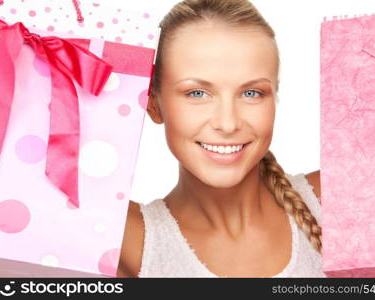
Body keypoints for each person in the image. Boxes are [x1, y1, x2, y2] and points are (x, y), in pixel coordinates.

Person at [117, 0, 324, 277]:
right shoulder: (126, 240)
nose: (228, 124)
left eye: (251, 93)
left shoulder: (334, 200)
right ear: (154, 104)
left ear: (275, 98)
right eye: (197, 93)